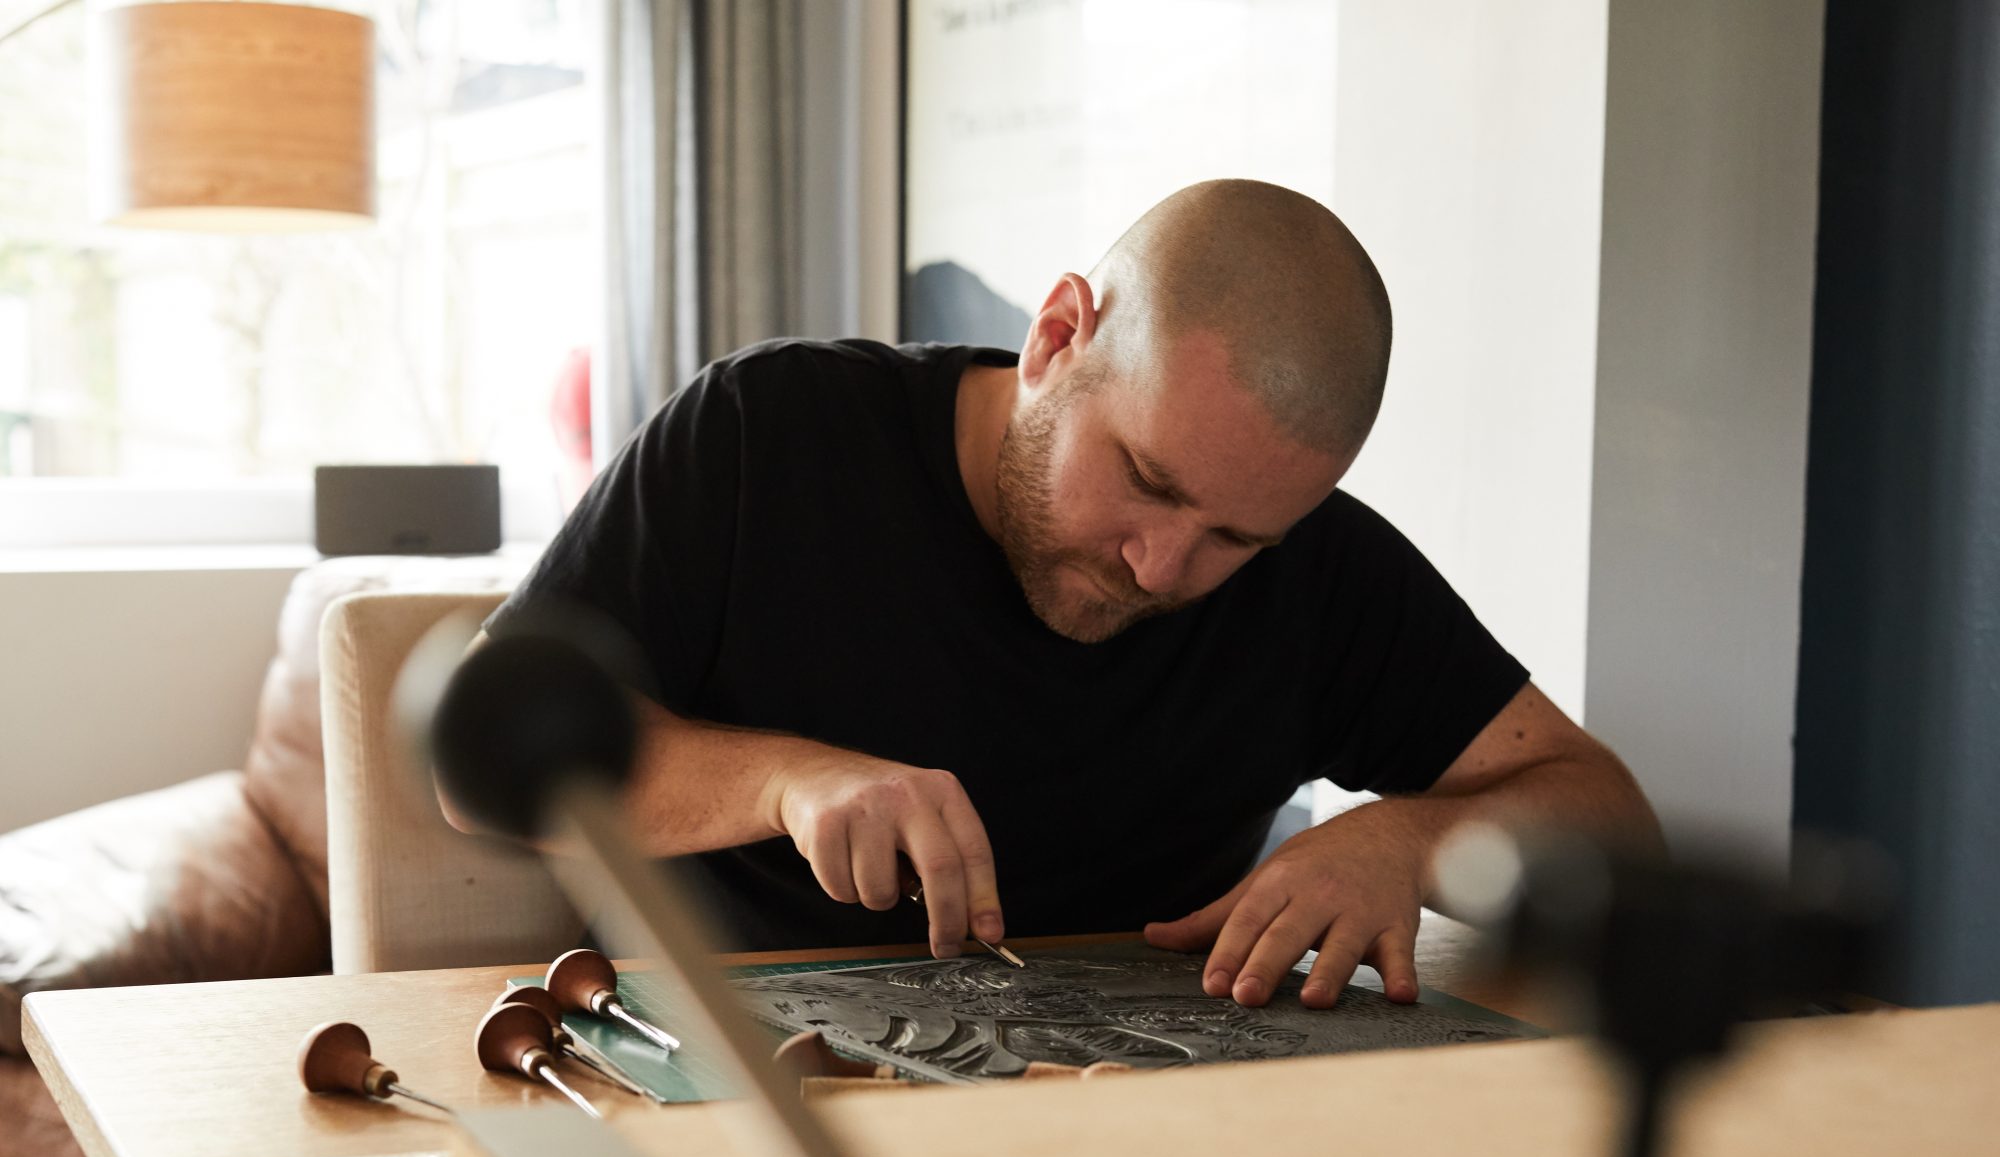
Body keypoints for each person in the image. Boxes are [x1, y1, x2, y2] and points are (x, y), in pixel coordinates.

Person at [464, 179, 1661, 1011]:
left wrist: (1409, 837)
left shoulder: (1317, 565)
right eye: (1143, 480)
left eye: (1233, 538)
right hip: (757, 1088)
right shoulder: (763, 437)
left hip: (1138, 1121)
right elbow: (477, 770)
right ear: (1054, 337)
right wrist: (784, 780)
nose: (1161, 568)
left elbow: (1604, 811)